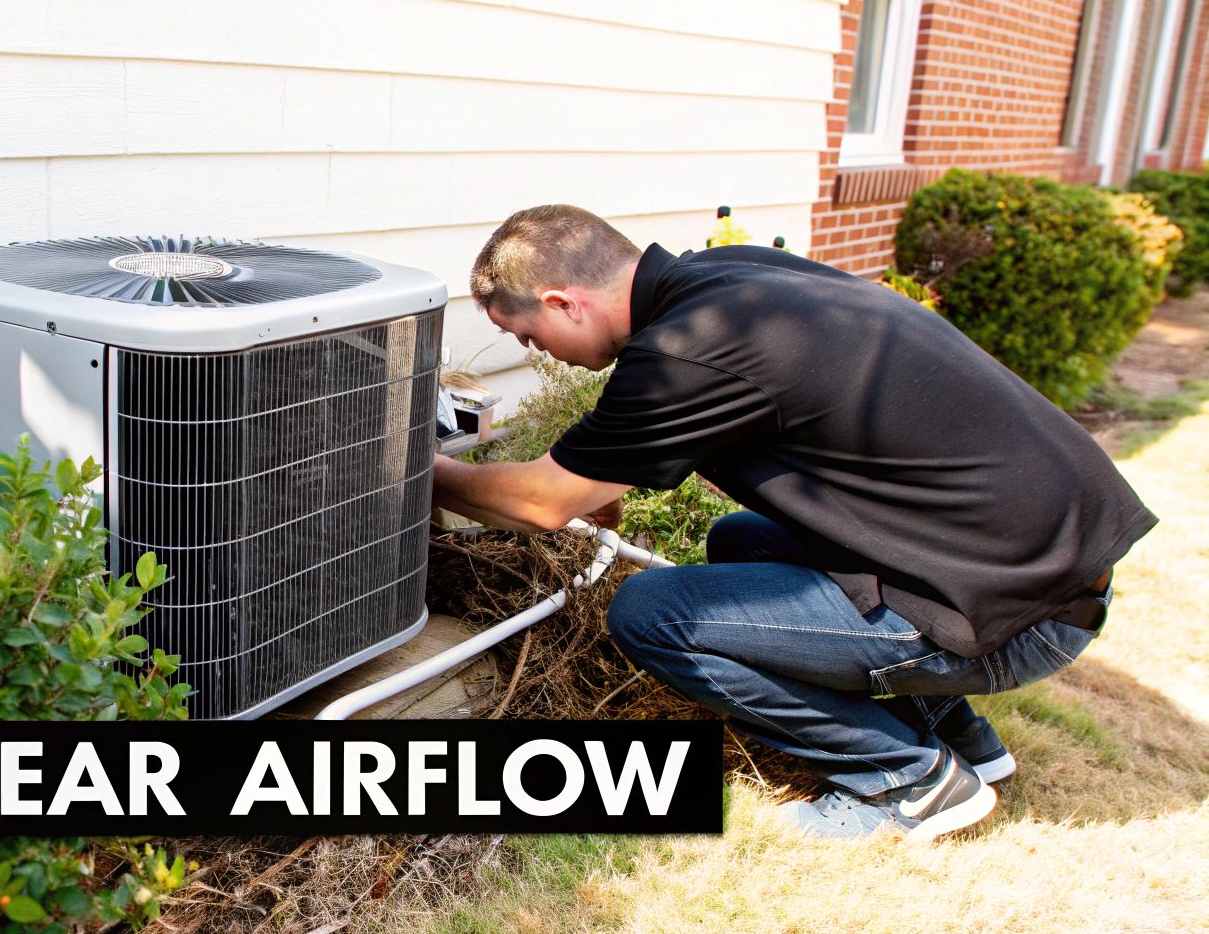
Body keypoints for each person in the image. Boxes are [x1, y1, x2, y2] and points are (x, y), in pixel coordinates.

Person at [431, 204, 1158, 840]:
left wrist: (419, 473)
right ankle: (965, 737)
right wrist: (594, 479)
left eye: (527, 337)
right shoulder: (728, 282)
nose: (536, 354)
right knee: (736, 541)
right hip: (1036, 566)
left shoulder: (684, 352)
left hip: (1015, 613)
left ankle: (910, 780)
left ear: (563, 303)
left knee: (649, 615)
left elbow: (540, 500)